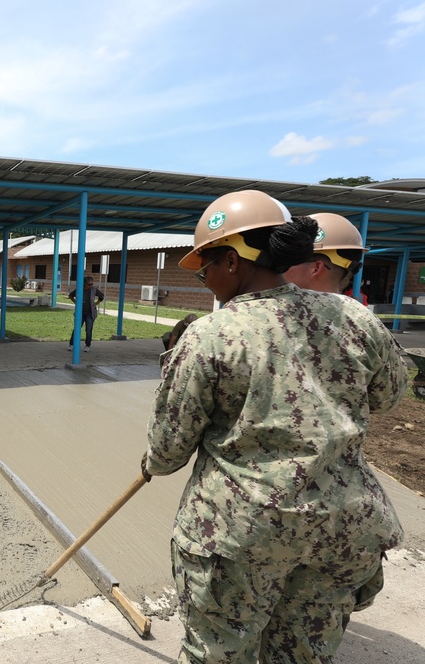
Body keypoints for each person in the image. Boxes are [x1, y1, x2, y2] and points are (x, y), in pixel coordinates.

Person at [142, 190, 408, 663]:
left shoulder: (210, 335)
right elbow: (387, 397)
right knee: (304, 654)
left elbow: (167, 452)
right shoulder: (354, 318)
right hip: (344, 530)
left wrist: (152, 461)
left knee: (221, 653)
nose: (204, 281)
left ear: (231, 261)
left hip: (241, 536)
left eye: (205, 269)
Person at [285, 212, 368, 296]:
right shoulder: (356, 308)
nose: (281, 269)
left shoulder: (278, 307)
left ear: (316, 268)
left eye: (288, 262)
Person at [67, 276, 104, 351]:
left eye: (92, 284)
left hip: (90, 313)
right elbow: (71, 295)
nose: (91, 286)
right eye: (89, 284)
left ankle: (87, 345)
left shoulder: (94, 290)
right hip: (80, 312)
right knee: (77, 329)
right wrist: (75, 302)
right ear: (84, 284)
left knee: (89, 329)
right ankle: (71, 344)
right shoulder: (79, 289)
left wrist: (96, 304)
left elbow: (101, 296)